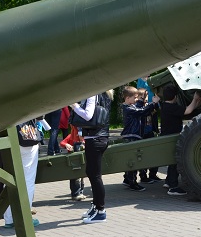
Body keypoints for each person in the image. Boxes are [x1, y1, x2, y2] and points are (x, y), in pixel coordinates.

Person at [73, 90, 113, 224]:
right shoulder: (105, 94)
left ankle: (100, 211)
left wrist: (74, 106)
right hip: (100, 137)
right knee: (91, 173)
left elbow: (87, 116)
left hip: (95, 138)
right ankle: (96, 207)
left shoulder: (92, 93)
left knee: (95, 176)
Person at [160, 85, 201, 196]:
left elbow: (189, 110)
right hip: (171, 136)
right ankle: (173, 187)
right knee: (175, 161)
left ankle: (169, 182)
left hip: (166, 135)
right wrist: (195, 99)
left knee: (172, 161)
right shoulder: (173, 107)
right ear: (175, 97)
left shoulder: (165, 106)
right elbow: (188, 110)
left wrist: (197, 102)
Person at [4, 117, 43, 229]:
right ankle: (25, 217)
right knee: (28, 180)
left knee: (8, 178)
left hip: (5, 138)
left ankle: (9, 218)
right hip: (26, 138)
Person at [120, 86, 161, 190]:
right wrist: (154, 103)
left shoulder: (131, 106)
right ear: (127, 98)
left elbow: (142, 109)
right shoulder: (128, 108)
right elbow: (142, 111)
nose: (136, 100)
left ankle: (130, 180)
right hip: (131, 136)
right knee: (133, 161)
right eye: (135, 98)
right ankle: (132, 182)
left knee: (133, 160)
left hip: (134, 135)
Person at [60, 125, 86, 200]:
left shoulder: (84, 139)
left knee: (81, 177)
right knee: (75, 177)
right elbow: (62, 143)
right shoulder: (71, 136)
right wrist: (67, 145)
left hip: (81, 160)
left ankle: (81, 192)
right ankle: (75, 194)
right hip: (73, 161)